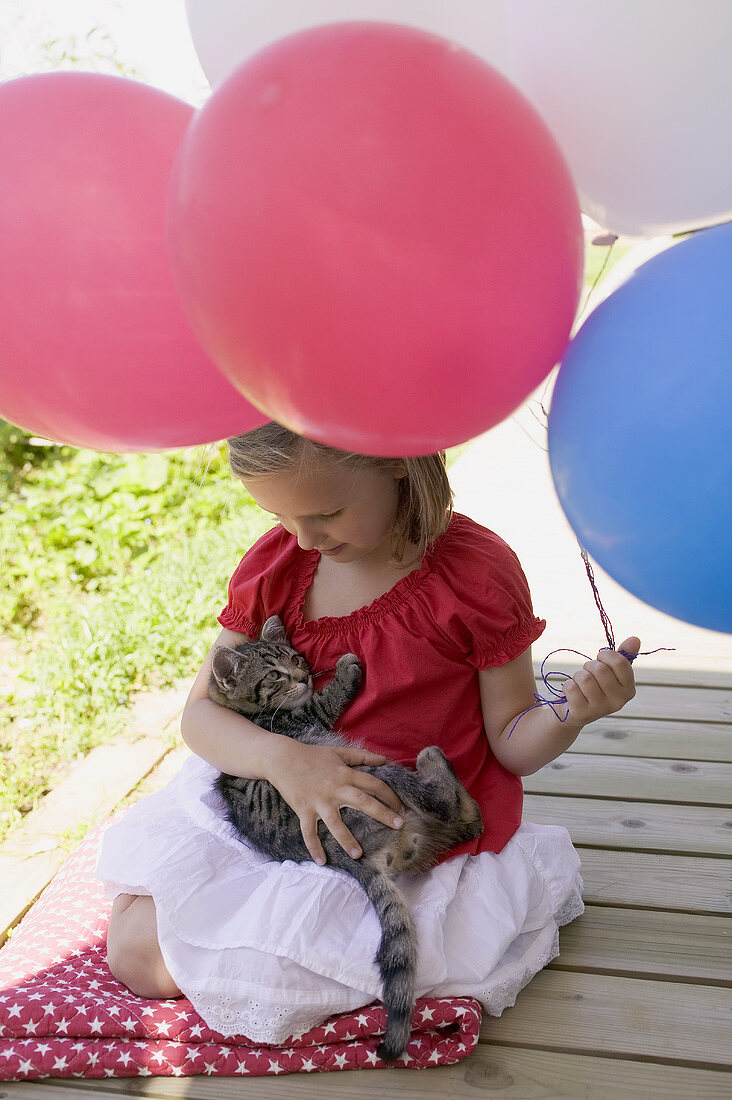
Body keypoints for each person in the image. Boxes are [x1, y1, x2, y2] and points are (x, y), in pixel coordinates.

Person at [97, 421, 639, 1045]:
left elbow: (512, 742)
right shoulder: (278, 566)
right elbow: (201, 716)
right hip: (281, 807)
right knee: (134, 950)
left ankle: (318, 968)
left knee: (272, 959)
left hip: (399, 841)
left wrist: (573, 710)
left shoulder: (474, 575)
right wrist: (284, 760)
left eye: (326, 512)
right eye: (278, 514)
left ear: (398, 463)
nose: (305, 538)